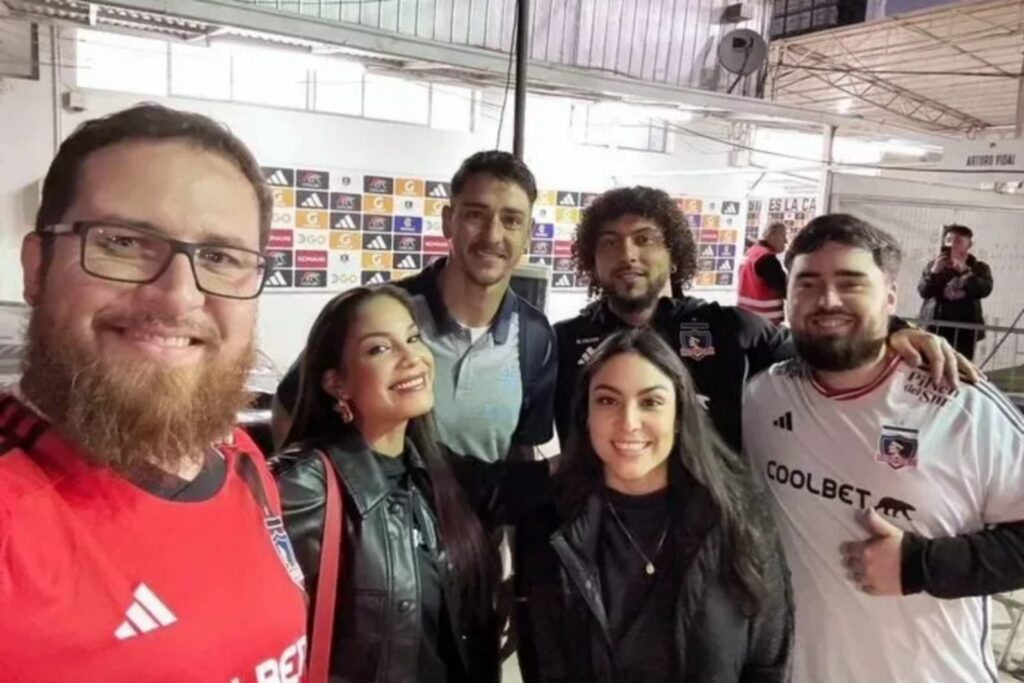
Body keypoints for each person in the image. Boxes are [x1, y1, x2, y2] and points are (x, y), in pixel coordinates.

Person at [0, 105, 307, 681]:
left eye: (219, 257)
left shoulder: (242, 461)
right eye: (124, 242)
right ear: (36, 267)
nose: (177, 297)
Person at [743, 214, 1024, 683]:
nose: (827, 300)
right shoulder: (762, 396)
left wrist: (922, 565)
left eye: (851, 283)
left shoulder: (961, 405)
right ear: (787, 298)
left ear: (890, 296)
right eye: (807, 284)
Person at [553, 185, 974, 454]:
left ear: (674, 254)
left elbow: (824, 344)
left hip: (710, 542)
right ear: (592, 259)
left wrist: (896, 330)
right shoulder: (561, 343)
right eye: (610, 243)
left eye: (645, 240)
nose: (627, 254)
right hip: (596, 544)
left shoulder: (730, 329)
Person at [273, 285, 550, 682]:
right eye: (379, 349)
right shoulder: (304, 487)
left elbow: (527, 484)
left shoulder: (436, 470)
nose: (412, 358)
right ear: (337, 383)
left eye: (412, 338)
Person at [517, 328, 793, 683]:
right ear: (585, 415)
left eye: (650, 402)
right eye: (607, 400)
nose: (629, 422)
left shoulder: (739, 519)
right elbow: (542, 666)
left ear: (679, 416)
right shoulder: (547, 525)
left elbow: (768, 661)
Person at [273, 151, 556, 465]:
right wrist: (313, 497)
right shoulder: (382, 311)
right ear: (449, 221)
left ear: (529, 235)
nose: (492, 235)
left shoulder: (536, 336)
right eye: (476, 215)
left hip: (477, 515)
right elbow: (291, 405)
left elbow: (522, 450)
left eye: (511, 220)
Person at [918, 223, 993, 361]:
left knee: (960, 369)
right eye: (948, 240)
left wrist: (965, 271)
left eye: (958, 240)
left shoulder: (979, 268)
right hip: (934, 327)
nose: (952, 244)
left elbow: (985, 290)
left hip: (964, 330)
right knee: (930, 366)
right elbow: (923, 292)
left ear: (969, 244)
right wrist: (933, 273)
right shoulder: (933, 266)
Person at [738, 221, 788, 323]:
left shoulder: (751, 253)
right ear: (773, 236)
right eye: (783, 236)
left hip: (746, 317)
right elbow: (786, 289)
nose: (786, 241)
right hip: (765, 321)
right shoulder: (767, 259)